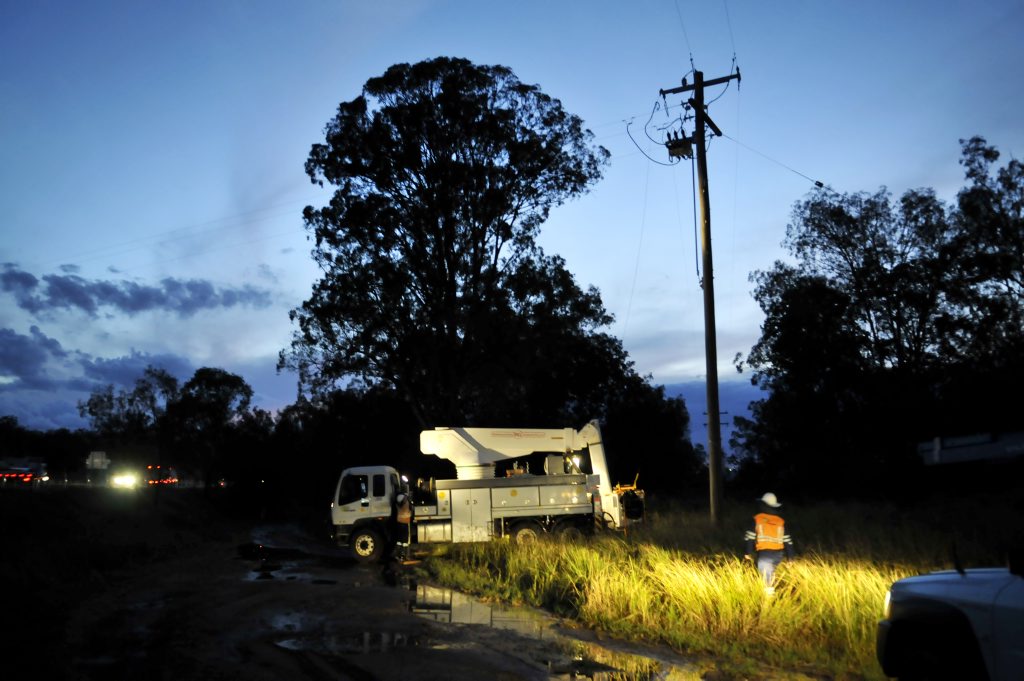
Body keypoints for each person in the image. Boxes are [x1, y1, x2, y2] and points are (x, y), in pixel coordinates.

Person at [744, 492, 794, 596]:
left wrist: (748, 552)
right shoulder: (781, 521)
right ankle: (774, 590)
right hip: (779, 554)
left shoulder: (757, 519)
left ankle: (769, 599)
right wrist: (791, 557)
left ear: (762, 505)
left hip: (765, 554)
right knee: (770, 571)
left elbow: (749, 537)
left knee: (766, 574)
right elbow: (788, 541)